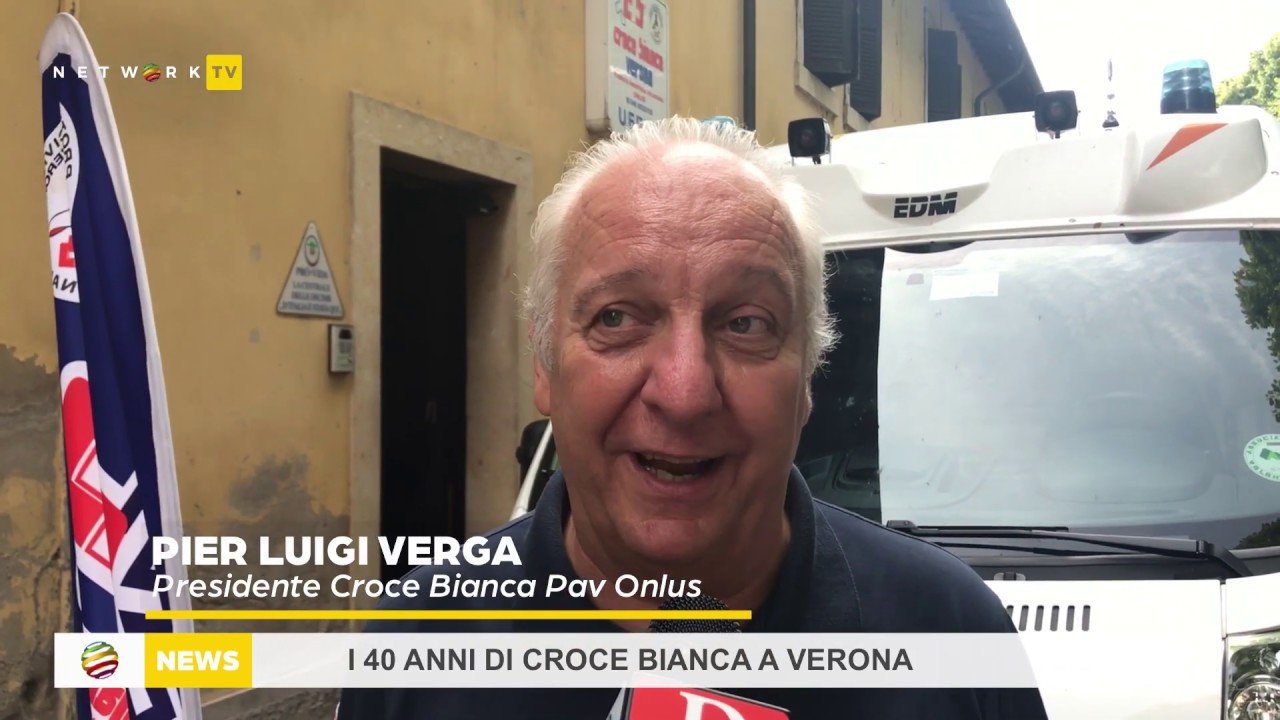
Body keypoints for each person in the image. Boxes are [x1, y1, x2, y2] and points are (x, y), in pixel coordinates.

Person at [337, 118, 1048, 719]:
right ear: (545, 368)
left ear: (806, 378)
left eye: (746, 323)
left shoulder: (953, 637)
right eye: (617, 318)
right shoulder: (414, 644)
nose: (684, 393)